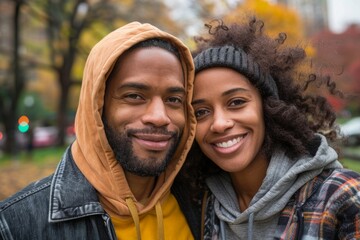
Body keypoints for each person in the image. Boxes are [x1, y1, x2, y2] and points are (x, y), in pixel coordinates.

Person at [0, 22, 200, 240]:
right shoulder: (16, 226)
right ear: (96, 106)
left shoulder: (201, 201)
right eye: (134, 96)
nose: (159, 117)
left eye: (173, 99)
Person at [184, 17, 360, 239]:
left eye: (236, 102)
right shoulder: (200, 203)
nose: (219, 123)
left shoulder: (340, 197)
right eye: (201, 112)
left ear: (269, 107)